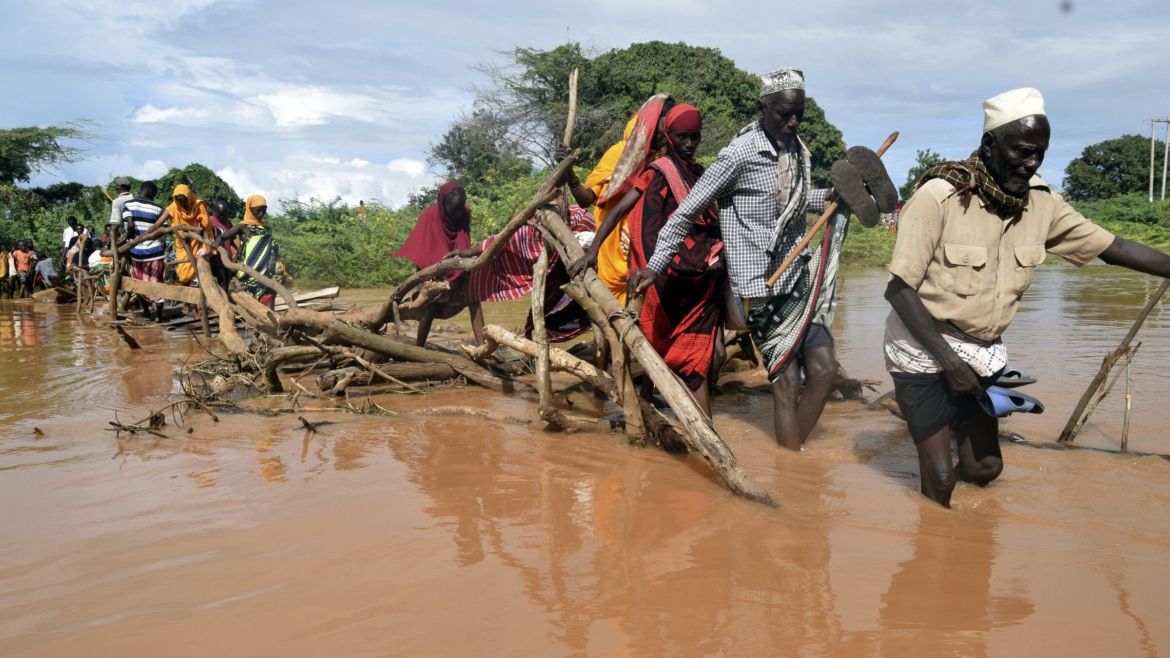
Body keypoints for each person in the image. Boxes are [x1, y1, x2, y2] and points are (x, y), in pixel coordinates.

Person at [883, 88, 1170, 508]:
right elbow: (898, 290)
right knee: (941, 480)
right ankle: (933, 536)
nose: (1032, 162)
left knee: (984, 469)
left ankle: (960, 546)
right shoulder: (939, 197)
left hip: (981, 351)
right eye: (1021, 151)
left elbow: (1116, 248)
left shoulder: (1042, 203)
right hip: (922, 345)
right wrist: (950, 363)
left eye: (1039, 153)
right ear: (989, 144)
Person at [630, 67, 894, 449]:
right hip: (759, 288)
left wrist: (836, 198)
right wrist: (655, 267)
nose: (792, 122)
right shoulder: (739, 154)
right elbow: (686, 211)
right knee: (786, 383)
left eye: (798, 114)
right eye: (784, 113)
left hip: (796, 279)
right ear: (762, 109)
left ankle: (793, 463)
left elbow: (797, 202)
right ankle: (792, 469)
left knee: (823, 371)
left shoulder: (796, 152)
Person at [619, 103, 727, 416]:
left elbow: (711, 219)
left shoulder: (699, 173)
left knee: (703, 357)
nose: (690, 143)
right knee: (665, 345)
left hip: (702, 277)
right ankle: (685, 420)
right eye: (683, 137)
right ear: (669, 136)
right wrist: (592, 248)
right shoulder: (659, 172)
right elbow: (632, 214)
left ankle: (687, 420)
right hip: (667, 272)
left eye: (695, 137)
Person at [561, 94, 673, 305]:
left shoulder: (663, 159)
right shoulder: (619, 154)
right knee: (610, 315)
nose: (668, 130)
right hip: (612, 248)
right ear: (650, 121)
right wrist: (569, 170)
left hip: (644, 250)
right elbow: (586, 199)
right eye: (664, 122)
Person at [464, 204, 598, 345]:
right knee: (535, 326)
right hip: (559, 273)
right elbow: (505, 238)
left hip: (588, 278)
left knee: (594, 315)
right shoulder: (535, 231)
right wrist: (472, 252)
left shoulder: (581, 220)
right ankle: (528, 361)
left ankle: (529, 360)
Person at [392, 181, 484, 346]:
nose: (457, 214)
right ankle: (419, 348)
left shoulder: (465, 214)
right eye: (453, 209)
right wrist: (422, 288)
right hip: (435, 272)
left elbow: (463, 243)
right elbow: (421, 252)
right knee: (430, 308)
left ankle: (482, 347)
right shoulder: (429, 217)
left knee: (474, 298)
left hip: (458, 267)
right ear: (442, 204)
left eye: (460, 208)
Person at [214, 195, 279, 308]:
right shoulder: (243, 226)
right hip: (250, 271)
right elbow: (223, 236)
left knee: (270, 293)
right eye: (258, 210)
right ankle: (264, 321)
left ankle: (270, 322)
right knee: (260, 296)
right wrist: (217, 241)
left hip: (266, 270)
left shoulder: (266, 227)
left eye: (264, 210)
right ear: (250, 209)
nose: (261, 213)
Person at [122, 180, 168, 320]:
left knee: (138, 283)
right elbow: (163, 230)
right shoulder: (159, 209)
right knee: (157, 283)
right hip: (155, 251)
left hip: (136, 252)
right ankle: (159, 315)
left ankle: (147, 312)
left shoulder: (128, 204)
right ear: (150, 192)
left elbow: (130, 226)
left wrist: (127, 238)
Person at [157, 183, 210, 286]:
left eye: (184, 199)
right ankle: (186, 301)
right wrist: (144, 235)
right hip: (182, 246)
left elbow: (205, 227)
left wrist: (207, 246)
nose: (182, 202)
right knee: (183, 273)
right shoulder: (174, 207)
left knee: (197, 274)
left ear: (189, 197)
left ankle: (195, 301)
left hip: (197, 244)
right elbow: (157, 224)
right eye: (179, 199)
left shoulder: (198, 206)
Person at [208, 199, 235, 291]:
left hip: (227, 257)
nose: (223, 217)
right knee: (221, 278)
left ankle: (225, 300)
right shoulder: (209, 221)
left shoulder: (228, 222)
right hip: (216, 257)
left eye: (225, 214)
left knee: (227, 279)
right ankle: (222, 302)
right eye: (221, 214)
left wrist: (237, 250)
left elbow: (233, 237)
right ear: (215, 210)